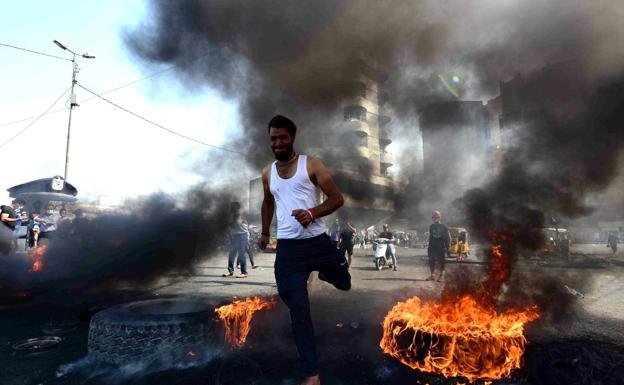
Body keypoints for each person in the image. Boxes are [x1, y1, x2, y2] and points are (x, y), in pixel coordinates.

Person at [257, 115, 350, 385]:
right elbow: (267, 203)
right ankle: (312, 373)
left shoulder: (311, 164)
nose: (277, 142)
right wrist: (265, 232)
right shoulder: (267, 172)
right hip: (288, 249)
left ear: (292, 137)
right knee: (298, 309)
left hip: (317, 242)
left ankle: (326, 272)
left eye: (282, 137)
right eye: (273, 138)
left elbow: (337, 198)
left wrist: (312, 212)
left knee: (344, 282)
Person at [223, 201, 249, 278]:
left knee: (241, 254)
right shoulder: (231, 215)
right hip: (234, 236)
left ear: (236, 207)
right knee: (231, 254)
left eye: (232, 207)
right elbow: (230, 226)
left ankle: (244, 272)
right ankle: (230, 271)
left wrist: (247, 240)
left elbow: (235, 222)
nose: (230, 208)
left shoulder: (240, 215)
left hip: (242, 236)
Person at [427, 210, 450, 282]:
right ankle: (432, 275)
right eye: (433, 218)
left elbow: (448, 238)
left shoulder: (444, 227)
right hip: (432, 247)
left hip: (440, 247)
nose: (434, 219)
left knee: (441, 261)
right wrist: (429, 246)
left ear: (439, 218)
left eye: (436, 218)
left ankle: (441, 276)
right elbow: (431, 236)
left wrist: (448, 248)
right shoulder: (431, 226)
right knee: (431, 261)